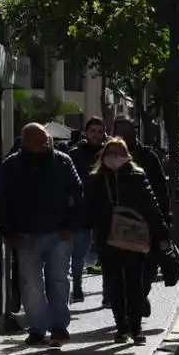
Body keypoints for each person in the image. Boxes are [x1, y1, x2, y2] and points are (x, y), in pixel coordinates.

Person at [0, 122, 84, 347]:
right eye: (37, 142)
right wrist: (10, 232)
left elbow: (78, 193)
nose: (44, 145)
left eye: (45, 140)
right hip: (25, 235)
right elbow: (2, 202)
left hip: (59, 233)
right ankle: (37, 327)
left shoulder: (63, 162)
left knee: (59, 281)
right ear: (25, 143)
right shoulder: (11, 165)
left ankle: (59, 327)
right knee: (30, 284)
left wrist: (70, 226)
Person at [86, 138, 170, 344]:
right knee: (114, 286)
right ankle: (121, 328)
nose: (114, 157)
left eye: (119, 153)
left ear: (126, 155)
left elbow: (151, 206)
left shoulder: (137, 176)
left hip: (135, 237)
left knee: (135, 284)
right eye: (110, 153)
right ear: (103, 156)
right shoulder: (95, 179)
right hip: (107, 239)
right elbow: (88, 209)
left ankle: (136, 328)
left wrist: (162, 234)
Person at [112, 116, 170, 318]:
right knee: (123, 270)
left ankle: (139, 296)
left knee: (148, 267)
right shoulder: (110, 156)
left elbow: (160, 189)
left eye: (127, 131)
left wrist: (164, 218)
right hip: (119, 223)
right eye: (119, 131)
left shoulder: (148, 156)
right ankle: (130, 306)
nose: (124, 135)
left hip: (147, 221)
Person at [68, 117, 107, 302]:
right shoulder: (75, 154)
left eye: (100, 131)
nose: (97, 135)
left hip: (104, 211)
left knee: (106, 254)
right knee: (79, 254)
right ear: (86, 133)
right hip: (82, 211)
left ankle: (108, 294)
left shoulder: (109, 152)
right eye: (93, 131)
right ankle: (77, 287)